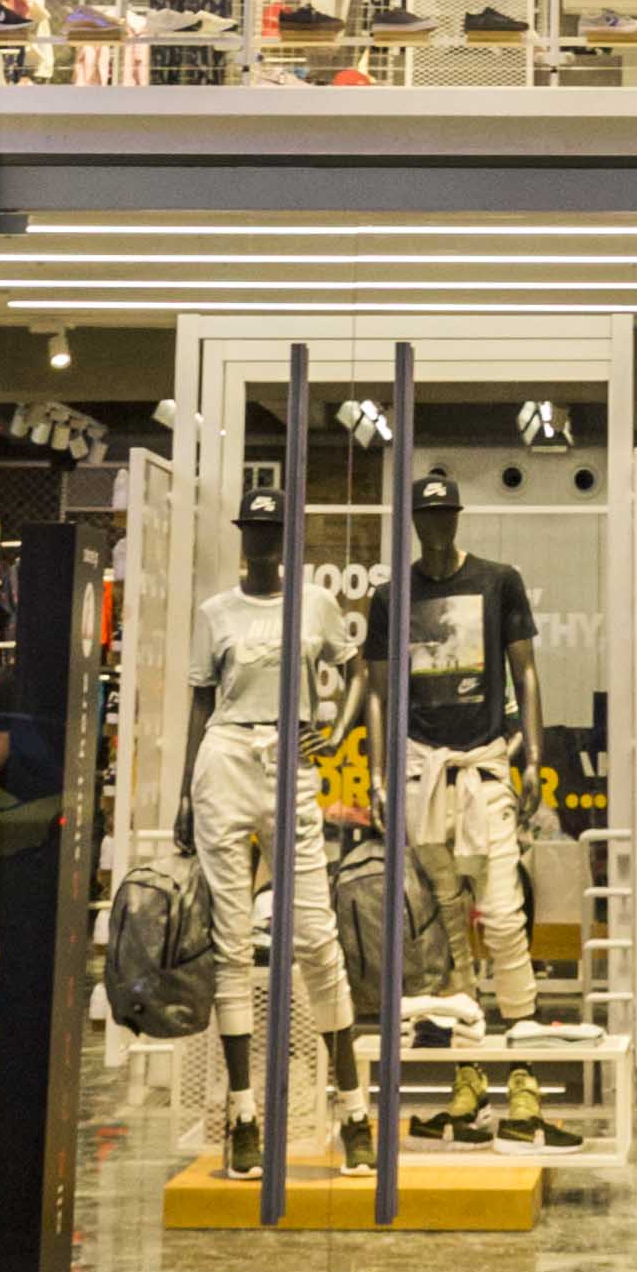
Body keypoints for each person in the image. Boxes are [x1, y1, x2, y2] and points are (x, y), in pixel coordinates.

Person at [346, 465, 561, 1142]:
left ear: (458, 518)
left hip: (483, 765)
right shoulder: (393, 597)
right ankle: (468, 1081)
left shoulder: (498, 581)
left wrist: (534, 754)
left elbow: (525, 670)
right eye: (427, 516)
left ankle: (523, 1080)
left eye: (446, 515)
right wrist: (378, 777)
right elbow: (378, 690)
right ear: (415, 522)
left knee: (503, 917)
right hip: (420, 771)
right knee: (444, 932)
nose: (437, 526)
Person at [177, 486, 368, 1176]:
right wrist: (184, 794)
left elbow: (357, 672)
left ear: (288, 536)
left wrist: (335, 734)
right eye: (253, 530)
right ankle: (243, 1115)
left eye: (272, 529)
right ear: (242, 535)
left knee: (315, 936)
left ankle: (354, 1111)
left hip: (291, 758)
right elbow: (201, 702)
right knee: (232, 943)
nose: (261, 541)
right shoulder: (215, 612)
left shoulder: (315, 603)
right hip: (226, 756)